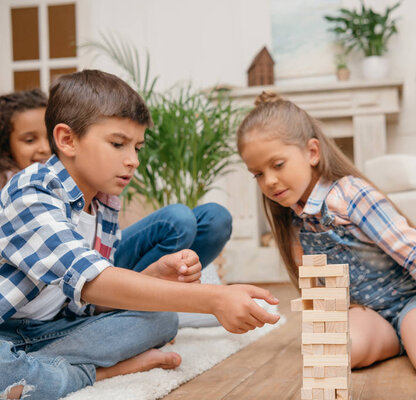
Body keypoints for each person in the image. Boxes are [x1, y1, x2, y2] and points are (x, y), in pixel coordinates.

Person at [0, 70, 280, 400]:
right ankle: (106, 370)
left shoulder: (103, 199)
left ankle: (49, 370)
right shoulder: (31, 194)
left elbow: (89, 301)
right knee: (8, 373)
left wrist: (153, 275)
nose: (132, 161)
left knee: (160, 320)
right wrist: (215, 299)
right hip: (7, 333)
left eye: (137, 147)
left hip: (54, 328)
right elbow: (93, 281)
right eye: (118, 144)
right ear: (67, 140)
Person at [236, 91, 416, 376]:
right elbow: (317, 287)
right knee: (342, 351)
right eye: (258, 173)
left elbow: (412, 249)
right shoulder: (293, 222)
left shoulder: (350, 194)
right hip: (364, 311)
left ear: (312, 152)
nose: (269, 181)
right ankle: (401, 339)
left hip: (412, 301)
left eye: (278, 165)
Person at [0, 89, 232, 278]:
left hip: (101, 266)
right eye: (30, 140)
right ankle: (148, 305)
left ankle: (152, 301)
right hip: (75, 282)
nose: (43, 147)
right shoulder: (22, 191)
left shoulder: (97, 183)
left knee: (213, 217)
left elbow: (107, 245)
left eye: (137, 148)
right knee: (179, 219)